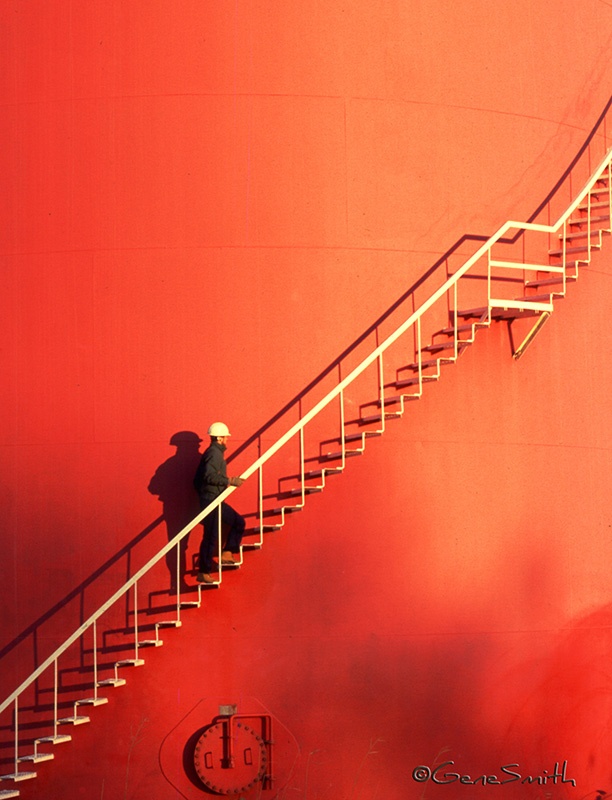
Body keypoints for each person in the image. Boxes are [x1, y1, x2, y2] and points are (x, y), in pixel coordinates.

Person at [148, 431, 203, 593]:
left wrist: (170, 492)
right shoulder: (200, 461)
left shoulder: (169, 464)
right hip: (193, 507)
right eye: (196, 445)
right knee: (220, 524)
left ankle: (177, 582)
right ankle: (206, 559)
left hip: (174, 510)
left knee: (177, 546)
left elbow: (153, 487)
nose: (198, 447)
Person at [193, 422, 246, 584]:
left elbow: (196, 480)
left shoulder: (214, 453)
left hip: (212, 498)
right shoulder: (214, 453)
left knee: (238, 521)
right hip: (211, 500)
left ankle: (227, 552)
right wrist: (229, 480)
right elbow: (208, 477)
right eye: (226, 437)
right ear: (220, 438)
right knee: (211, 536)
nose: (227, 440)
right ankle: (204, 571)